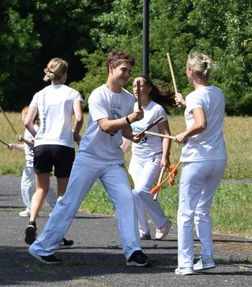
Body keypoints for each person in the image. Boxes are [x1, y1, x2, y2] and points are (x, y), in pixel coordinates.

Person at [28, 50, 152, 268]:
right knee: (69, 201)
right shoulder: (98, 95)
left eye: (129, 71)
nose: (127, 75)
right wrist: (130, 118)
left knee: (127, 199)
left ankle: (133, 252)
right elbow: (105, 125)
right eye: (124, 70)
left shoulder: (128, 98)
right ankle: (42, 247)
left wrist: (134, 135)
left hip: (112, 160)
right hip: (90, 157)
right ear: (111, 68)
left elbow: (124, 130)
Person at [171, 53, 227, 275]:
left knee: (185, 212)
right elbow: (207, 113)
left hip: (197, 158)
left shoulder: (195, 96)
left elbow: (201, 122)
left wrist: (184, 133)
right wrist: (185, 104)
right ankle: (207, 257)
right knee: (202, 210)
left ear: (190, 72)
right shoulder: (217, 92)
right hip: (218, 157)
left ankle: (185, 263)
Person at [22, 58, 83, 244]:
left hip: (42, 145)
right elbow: (79, 118)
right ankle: (57, 232)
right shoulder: (72, 93)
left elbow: (27, 122)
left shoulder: (39, 94)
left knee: (41, 188)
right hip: (63, 145)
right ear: (64, 75)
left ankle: (32, 221)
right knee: (62, 193)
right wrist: (75, 134)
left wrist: (37, 134)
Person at [128, 76, 175, 240]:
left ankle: (162, 222)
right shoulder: (131, 107)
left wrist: (165, 157)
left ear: (148, 89)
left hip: (154, 157)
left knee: (142, 189)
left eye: (140, 85)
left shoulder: (157, 110)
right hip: (137, 157)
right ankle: (143, 229)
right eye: (134, 85)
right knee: (133, 192)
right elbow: (127, 134)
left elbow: (167, 135)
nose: (136, 88)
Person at [9, 106, 55, 217]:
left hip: (34, 162)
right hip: (34, 161)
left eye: (23, 115)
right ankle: (51, 208)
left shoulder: (32, 128)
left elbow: (36, 145)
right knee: (42, 187)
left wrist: (24, 140)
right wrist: (14, 146)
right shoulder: (32, 128)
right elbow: (27, 147)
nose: (22, 117)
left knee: (29, 186)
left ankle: (31, 209)